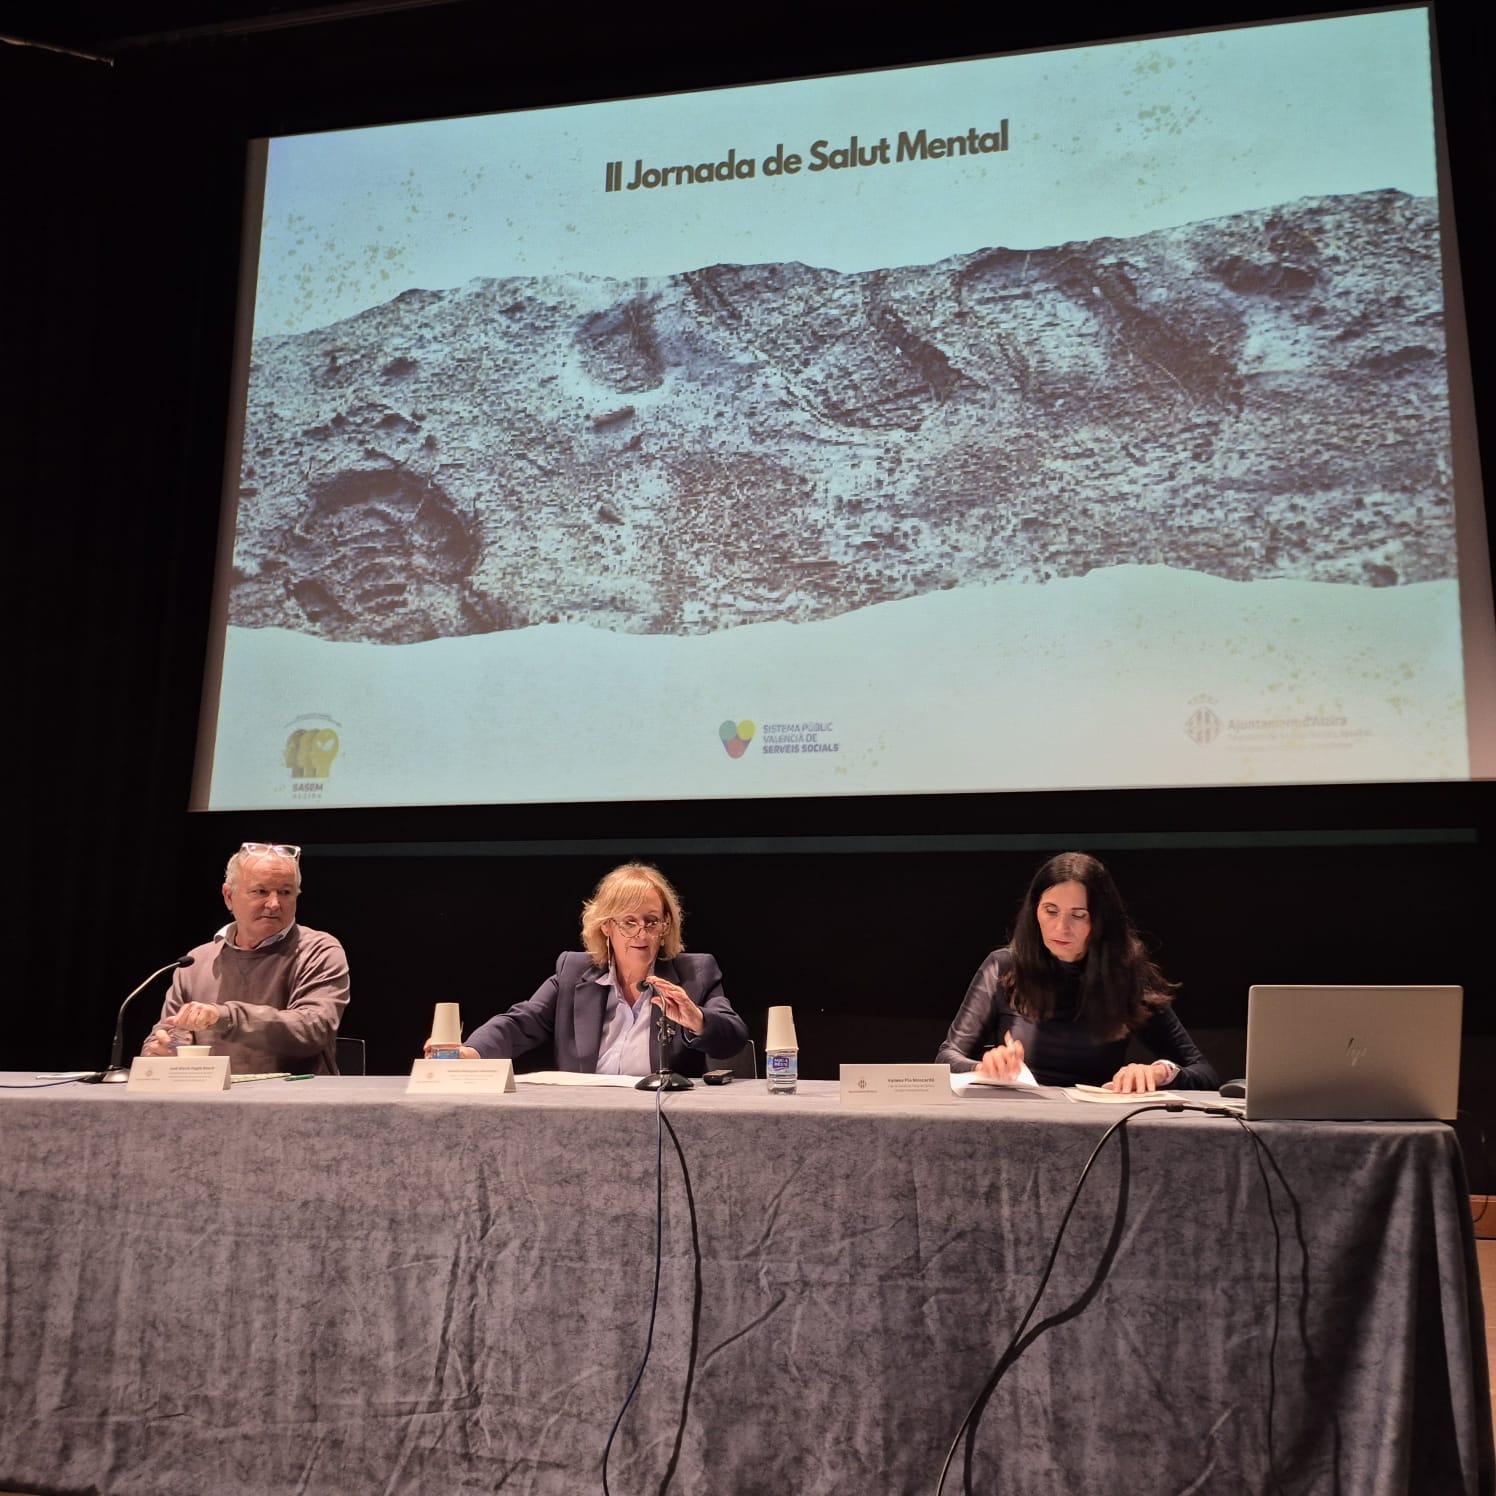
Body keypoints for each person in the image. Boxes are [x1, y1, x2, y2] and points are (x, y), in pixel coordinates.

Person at [938, 851, 1218, 1092]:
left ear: (1100, 920)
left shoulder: (1127, 976)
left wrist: (1160, 1072)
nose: (1061, 927)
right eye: (1050, 911)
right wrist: (985, 1066)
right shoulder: (1004, 966)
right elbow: (946, 1058)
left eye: (1078, 915)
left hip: (1094, 1125)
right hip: (1015, 1116)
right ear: (1034, 911)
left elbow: (1204, 1072)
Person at [440, 862, 748, 1075]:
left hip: (663, 1122)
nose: (641, 933)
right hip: (586, 1121)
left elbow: (733, 1037)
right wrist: (469, 1053)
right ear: (606, 927)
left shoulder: (696, 973)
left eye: (651, 921)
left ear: (665, 926)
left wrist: (698, 1019)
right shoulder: (574, 973)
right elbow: (520, 1023)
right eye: (629, 921)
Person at [143, 842, 350, 1075]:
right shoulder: (195, 962)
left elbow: (313, 1029)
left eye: (285, 892)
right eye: (260, 891)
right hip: (207, 1101)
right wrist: (166, 1049)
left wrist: (223, 1016)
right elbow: (170, 1031)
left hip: (294, 1101)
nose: (273, 904)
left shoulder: (318, 950)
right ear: (229, 896)